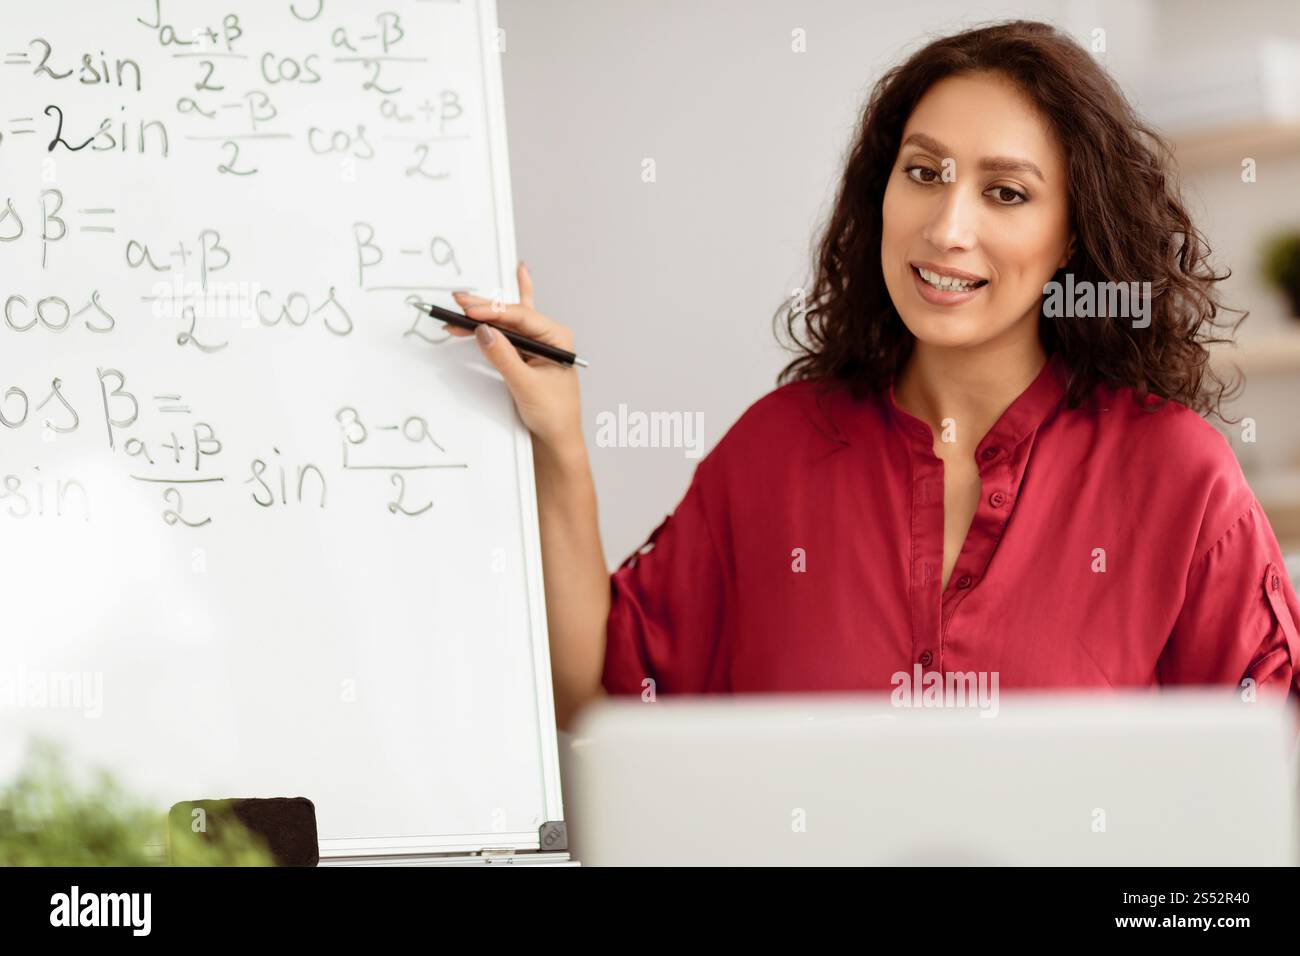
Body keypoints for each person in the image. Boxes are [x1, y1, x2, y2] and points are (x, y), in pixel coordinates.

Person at [448, 20, 1300, 731]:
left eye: (1006, 193)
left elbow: (1268, 780)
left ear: (1073, 236)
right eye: (924, 173)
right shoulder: (776, 450)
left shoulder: (1176, 476)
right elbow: (598, 694)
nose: (946, 227)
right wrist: (560, 441)